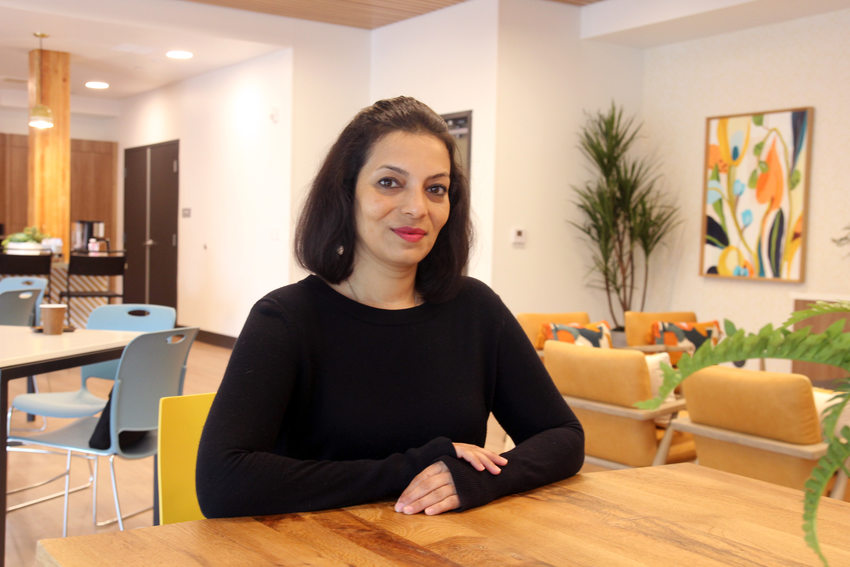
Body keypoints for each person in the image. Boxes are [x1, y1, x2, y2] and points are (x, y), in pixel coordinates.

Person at [196, 96, 584, 518]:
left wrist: (483, 478)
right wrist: (413, 469)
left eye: (435, 189)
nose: (417, 207)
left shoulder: (475, 308)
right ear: (346, 192)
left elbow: (562, 435)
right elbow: (223, 482)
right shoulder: (286, 319)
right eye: (389, 183)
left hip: (446, 549)